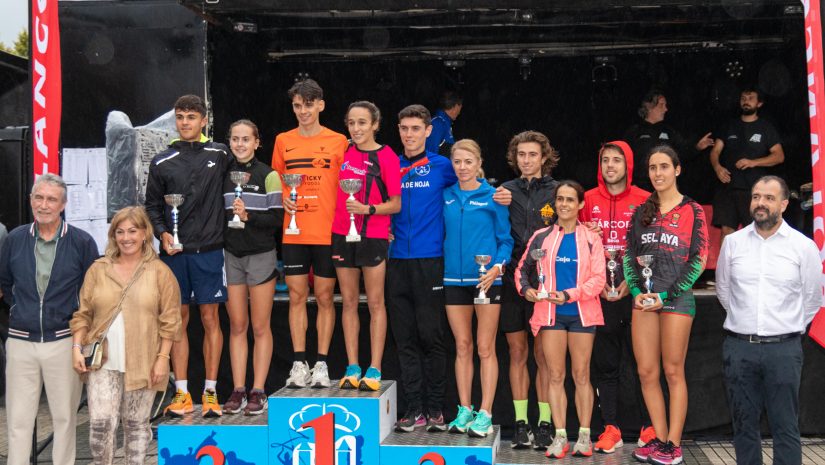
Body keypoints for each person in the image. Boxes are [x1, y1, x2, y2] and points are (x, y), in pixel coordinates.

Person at [716, 175, 820, 465]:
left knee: (786, 426)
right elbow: (724, 292)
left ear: (784, 204)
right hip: (739, 349)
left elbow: (812, 299)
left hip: (784, 350)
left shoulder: (803, 247)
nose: (760, 203)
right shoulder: (733, 243)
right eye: (756, 196)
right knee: (743, 427)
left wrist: (783, 327)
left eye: (769, 198)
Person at [70, 206, 182, 465]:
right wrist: (77, 347)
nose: (126, 237)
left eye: (133, 231)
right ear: (113, 236)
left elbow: (171, 320)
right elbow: (82, 314)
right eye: (119, 232)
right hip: (102, 362)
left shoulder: (160, 272)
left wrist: (163, 358)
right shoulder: (98, 269)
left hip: (145, 361)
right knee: (100, 428)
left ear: (145, 234)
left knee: (136, 427)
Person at [0, 173, 98, 465]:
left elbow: (91, 292)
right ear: (31, 200)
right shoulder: (15, 239)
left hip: (63, 341)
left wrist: (81, 342)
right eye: (39, 197)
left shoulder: (82, 242)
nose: (44, 205)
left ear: (63, 204)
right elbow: (5, 284)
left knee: (65, 420)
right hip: (20, 342)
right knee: (18, 422)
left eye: (51, 199)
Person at [144, 94, 231, 417]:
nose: (185, 123)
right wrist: (161, 233)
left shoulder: (220, 153)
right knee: (177, 323)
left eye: (191, 117)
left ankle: (210, 391)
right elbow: (152, 206)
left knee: (210, 319)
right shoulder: (162, 161)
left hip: (210, 252)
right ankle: (182, 393)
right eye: (180, 117)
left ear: (204, 120)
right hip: (174, 254)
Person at [624, 145, 709, 465]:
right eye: (652, 168)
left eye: (663, 167)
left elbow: (699, 259)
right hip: (644, 301)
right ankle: (659, 439)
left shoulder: (693, 210)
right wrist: (635, 291)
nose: (657, 173)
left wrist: (668, 294)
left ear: (677, 169)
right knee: (647, 372)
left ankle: (674, 444)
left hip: (676, 300)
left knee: (673, 371)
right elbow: (630, 257)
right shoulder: (641, 211)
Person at [516, 180, 606, 459]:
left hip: (581, 314)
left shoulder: (591, 238)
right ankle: (560, 437)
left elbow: (599, 280)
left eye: (570, 199)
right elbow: (522, 270)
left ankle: (584, 436)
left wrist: (569, 295)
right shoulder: (542, 236)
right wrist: (528, 291)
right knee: (555, 375)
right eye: (560, 199)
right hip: (550, 315)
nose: (564, 204)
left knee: (581, 375)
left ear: (580, 205)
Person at [271, 79, 348, 388]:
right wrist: (281, 199)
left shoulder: (338, 141)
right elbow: (275, 183)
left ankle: (322, 364)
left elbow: (347, 185)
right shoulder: (282, 140)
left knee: (326, 297)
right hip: (294, 232)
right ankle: (299, 362)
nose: (302, 111)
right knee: (296, 296)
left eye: (307, 105)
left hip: (328, 232)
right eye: (297, 106)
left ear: (321, 105)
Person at [579, 141, 654, 453]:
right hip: (601, 295)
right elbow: (561, 226)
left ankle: (651, 428)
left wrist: (633, 282)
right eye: (605, 160)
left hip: (637, 293)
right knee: (606, 365)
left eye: (617, 161)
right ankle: (611, 428)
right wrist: (584, 229)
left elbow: (655, 245)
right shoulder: (586, 199)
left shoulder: (646, 199)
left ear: (629, 165)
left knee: (645, 365)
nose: (610, 166)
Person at [388, 104, 457, 432]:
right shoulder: (390, 163)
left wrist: (496, 196)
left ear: (429, 131)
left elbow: (470, 188)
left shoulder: (444, 165)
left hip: (431, 261)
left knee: (432, 337)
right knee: (405, 339)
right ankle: (413, 407)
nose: (410, 135)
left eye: (416, 129)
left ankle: (435, 408)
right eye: (404, 128)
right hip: (396, 261)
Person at [442, 139, 513, 438]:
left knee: (485, 348)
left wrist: (497, 267)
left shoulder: (494, 196)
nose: (462, 167)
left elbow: (506, 241)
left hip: (486, 280)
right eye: (457, 162)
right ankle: (465, 408)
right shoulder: (446, 195)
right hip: (453, 280)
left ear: (478, 162)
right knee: (462, 346)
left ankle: (485, 412)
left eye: (468, 162)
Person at [498, 130, 560, 450]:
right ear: (515, 157)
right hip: (511, 282)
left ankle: (545, 423)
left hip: (545, 284)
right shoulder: (504, 191)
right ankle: (521, 423)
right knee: (518, 353)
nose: (526, 160)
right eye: (521, 155)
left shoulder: (557, 191)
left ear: (544, 157)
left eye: (532, 155)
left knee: (544, 357)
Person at [333, 101, 401, 391]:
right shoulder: (343, 152)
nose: (356, 128)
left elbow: (396, 204)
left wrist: (367, 209)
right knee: (348, 302)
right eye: (351, 122)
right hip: (340, 233)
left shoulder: (387, 157)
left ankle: (374, 367)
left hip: (372, 234)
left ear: (375, 124)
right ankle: (352, 366)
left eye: (362, 122)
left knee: (375, 303)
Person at [222, 120, 282, 415]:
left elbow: (277, 219)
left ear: (257, 142)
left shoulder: (269, 175)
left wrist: (248, 217)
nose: (240, 144)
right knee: (237, 325)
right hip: (231, 255)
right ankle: (238, 389)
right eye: (235, 139)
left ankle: (258, 390)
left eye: (246, 139)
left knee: (259, 326)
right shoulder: (224, 174)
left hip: (260, 255)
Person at [710, 87, 785, 242]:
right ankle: (726, 266)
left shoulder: (765, 127)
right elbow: (715, 151)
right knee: (726, 232)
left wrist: (753, 162)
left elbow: (779, 156)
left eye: (751, 98)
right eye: (743, 98)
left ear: (759, 103)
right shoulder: (730, 125)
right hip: (728, 186)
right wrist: (717, 167)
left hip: (753, 189)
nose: (746, 101)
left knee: (754, 232)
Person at [624, 90, 714, 192]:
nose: (665, 109)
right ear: (649, 107)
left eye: (666, 105)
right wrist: (629, 183)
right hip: (640, 187)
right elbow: (624, 160)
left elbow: (683, 152)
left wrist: (697, 147)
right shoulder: (634, 132)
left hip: (663, 187)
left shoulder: (669, 132)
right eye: (661, 105)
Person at [426, 91, 462, 156]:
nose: (459, 112)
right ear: (456, 106)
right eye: (460, 108)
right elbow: (431, 153)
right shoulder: (437, 123)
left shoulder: (445, 123)